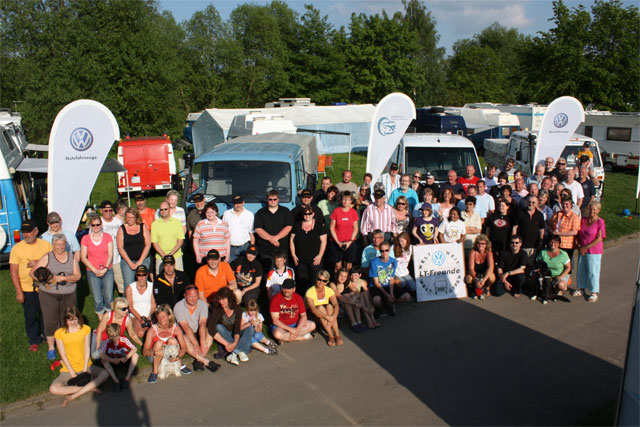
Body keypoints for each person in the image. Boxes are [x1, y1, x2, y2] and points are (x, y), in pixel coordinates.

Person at [30, 233, 81, 361]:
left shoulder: (71, 257)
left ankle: (67, 344)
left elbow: (77, 276)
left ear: (66, 244)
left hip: (69, 293)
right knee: (50, 320)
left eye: (63, 244)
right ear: (53, 245)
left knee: (68, 319)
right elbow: (32, 272)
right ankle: (51, 348)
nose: (60, 247)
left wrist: (64, 278)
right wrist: (44, 281)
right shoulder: (47, 257)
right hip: (49, 295)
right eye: (57, 245)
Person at [50, 307, 108, 407]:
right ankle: (89, 388)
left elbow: (87, 350)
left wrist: (85, 370)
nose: (73, 323)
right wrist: (72, 373)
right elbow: (63, 355)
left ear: (79, 318)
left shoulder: (85, 329)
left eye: (75, 319)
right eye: (70, 320)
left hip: (86, 366)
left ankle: (72, 396)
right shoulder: (59, 333)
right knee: (53, 388)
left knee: (105, 374)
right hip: (68, 369)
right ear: (65, 320)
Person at [174, 285, 221, 372]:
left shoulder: (202, 304)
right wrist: (196, 344)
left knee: (210, 331)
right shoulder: (178, 306)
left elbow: (202, 323)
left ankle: (199, 360)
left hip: (198, 331)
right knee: (183, 338)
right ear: (185, 296)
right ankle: (206, 361)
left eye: (195, 296)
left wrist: (202, 342)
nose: (193, 299)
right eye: (190, 296)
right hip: (186, 333)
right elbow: (186, 327)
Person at [143, 304, 192, 383]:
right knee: (159, 343)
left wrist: (179, 356)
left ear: (169, 316)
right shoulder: (152, 330)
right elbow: (145, 351)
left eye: (163, 316)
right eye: (158, 317)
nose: (161, 319)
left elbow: (183, 347)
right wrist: (155, 353)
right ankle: (155, 371)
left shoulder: (176, 328)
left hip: (170, 354)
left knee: (173, 341)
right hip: (155, 355)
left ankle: (179, 364)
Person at [207, 287, 253, 365]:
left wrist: (235, 342)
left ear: (229, 298)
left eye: (223, 299)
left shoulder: (237, 309)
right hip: (225, 334)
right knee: (218, 327)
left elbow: (237, 328)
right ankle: (241, 350)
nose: (221, 302)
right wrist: (226, 344)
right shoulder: (217, 310)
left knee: (250, 329)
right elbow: (211, 329)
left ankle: (234, 353)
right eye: (219, 299)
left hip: (235, 333)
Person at [80, 215, 114, 320]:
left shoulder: (108, 237)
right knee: (97, 297)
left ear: (101, 225)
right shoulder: (85, 239)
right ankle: (101, 319)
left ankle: (109, 316)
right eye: (93, 225)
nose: (95, 227)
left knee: (108, 296)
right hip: (92, 271)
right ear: (90, 225)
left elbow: (110, 254)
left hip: (107, 270)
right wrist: (94, 270)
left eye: (98, 224)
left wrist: (105, 269)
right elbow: (83, 257)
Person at [253, 190, 294, 272]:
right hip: (265, 249)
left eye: (274, 199)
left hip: (282, 248)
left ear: (278, 199)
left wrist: (276, 238)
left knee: (283, 272)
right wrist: (271, 239)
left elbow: (289, 226)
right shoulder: (261, 213)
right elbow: (258, 229)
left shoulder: (285, 211)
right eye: (270, 199)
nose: (272, 201)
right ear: (267, 200)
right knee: (267, 273)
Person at [290, 206, 327, 292]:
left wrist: (320, 256)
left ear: (313, 214)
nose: (307, 215)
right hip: (300, 260)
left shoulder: (319, 225)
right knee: (301, 282)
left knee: (315, 281)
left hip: (315, 260)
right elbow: (291, 240)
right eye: (305, 214)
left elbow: (324, 242)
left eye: (309, 213)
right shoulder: (297, 225)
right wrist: (293, 255)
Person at [369, 241, 410, 315]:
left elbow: (391, 278)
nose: (384, 253)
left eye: (386, 250)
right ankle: (384, 306)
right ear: (379, 251)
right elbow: (376, 282)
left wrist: (391, 293)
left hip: (388, 284)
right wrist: (387, 295)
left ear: (389, 250)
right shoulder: (374, 262)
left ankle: (388, 302)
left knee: (407, 297)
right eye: (382, 251)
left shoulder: (393, 261)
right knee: (376, 300)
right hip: (377, 286)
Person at [269, 279, 316, 343]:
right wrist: (291, 330)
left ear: (294, 289)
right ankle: (302, 337)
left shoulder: (298, 298)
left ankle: (285, 338)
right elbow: (275, 320)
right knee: (277, 334)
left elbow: (304, 316)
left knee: (312, 325)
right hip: (280, 326)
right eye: (284, 288)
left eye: (289, 288)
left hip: (295, 324)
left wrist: (297, 329)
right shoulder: (275, 299)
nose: (286, 291)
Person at [576, 201, 606, 302]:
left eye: (594, 209)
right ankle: (581, 288)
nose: (591, 211)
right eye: (590, 209)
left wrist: (586, 247)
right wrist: (580, 245)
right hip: (582, 248)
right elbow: (579, 233)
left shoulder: (600, 221)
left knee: (593, 271)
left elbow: (599, 238)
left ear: (598, 210)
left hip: (594, 250)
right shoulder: (583, 220)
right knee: (581, 269)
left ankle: (594, 292)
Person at [116, 207, 151, 289]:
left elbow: (148, 244)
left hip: (143, 259)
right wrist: (130, 263)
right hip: (128, 260)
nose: (129, 219)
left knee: (143, 283)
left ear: (136, 217)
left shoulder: (143, 227)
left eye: (132, 217)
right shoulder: (122, 229)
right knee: (128, 284)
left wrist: (140, 261)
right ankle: (128, 301)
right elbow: (120, 248)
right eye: (127, 217)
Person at [305, 270, 342, 346]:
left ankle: (337, 335)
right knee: (320, 308)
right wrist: (328, 318)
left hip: (327, 313)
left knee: (330, 306)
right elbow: (313, 309)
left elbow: (336, 305)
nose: (321, 282)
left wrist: (333, 316)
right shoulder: (310, 292)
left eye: (324, 281)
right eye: (319, 279)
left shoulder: (329, 290)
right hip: (314, 315)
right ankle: (330, 336)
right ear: (316, 279)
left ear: (327, 282)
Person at [100, 323, 138, 392]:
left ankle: (127, 378)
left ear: (119, 334)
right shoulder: (107, 342)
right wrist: (111, 360)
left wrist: (127, 357)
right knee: (103, 361)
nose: (115, 338)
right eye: (112, 337)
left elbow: (134, 348)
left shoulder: (123, 339)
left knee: (135, 355)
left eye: (116, 336)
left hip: (124, 359)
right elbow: (102, 354)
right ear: (109, 336)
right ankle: (116, 381)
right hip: (114, 360)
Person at [329, 191, 359, 272]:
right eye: (344, 199)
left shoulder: (353, 212)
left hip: (349, 242)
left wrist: (349, 242)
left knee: (348, 265)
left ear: (351, 201)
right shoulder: (336, 211)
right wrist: (338, 242)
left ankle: (347, 282)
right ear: (341, 200)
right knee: (337, 265)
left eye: (348, 199)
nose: (346, 202)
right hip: (336, 242)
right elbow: (332, 228)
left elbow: (356, 229)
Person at [151, 201, 185, 274]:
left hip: (176, 256)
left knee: (179, 279)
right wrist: (163, 255)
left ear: (169, 209)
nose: (163, 211)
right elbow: (154, 242)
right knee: (161, 281)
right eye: (161, 210)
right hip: (160, 257)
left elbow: (180, 240)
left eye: (165, 209)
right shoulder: (154, 224)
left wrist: (171, 254)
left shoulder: (177, 222)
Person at [99, 201, 124, 295]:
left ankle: (124, 302)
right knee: (105, 286)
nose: (108, 212)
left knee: (121, 282)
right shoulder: (98, 223)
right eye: (106, 210)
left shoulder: (118, 222)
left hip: (117, 258)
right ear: (101, 211)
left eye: (110, 210)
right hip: (103, 260)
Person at [222, 195, 256, 263]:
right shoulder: (226, 214)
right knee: (230, 269)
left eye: (239, 203)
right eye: (235, 203)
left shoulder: (249, 214)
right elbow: (223, 231)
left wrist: (251, 249)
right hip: (229, 248)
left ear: (243, 202)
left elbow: (251, 233)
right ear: (232, 203)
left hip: (244, 247)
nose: (238, 205)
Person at [513, 195, 545, 265]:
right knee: (521, 264)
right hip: (522, 245)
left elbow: (541, 229)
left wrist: (541, 241)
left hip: (534, 245)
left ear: (537, 203)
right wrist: (514, 241)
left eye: (533, 202)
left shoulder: (540, 215)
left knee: (531, 265)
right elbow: (515, 227)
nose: (531, 204)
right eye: (529, 202)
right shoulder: (520, 213)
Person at [125, 265, 156, 338]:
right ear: (136, 276)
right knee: (141, 333)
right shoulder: (130, 288)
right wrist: (140, 318)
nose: (141, 277)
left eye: (143, 275)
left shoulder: (152, 286)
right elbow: (130, 307)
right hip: (136, 316)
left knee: (154, 332)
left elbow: (153, 305)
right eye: (139, 275)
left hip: (150, 315)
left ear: (147, 275)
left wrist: (149, 317)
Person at [549, 197, 580, 267]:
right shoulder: (557, 214)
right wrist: (551, 231)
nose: (564, 206)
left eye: (567, 204)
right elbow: (550, 224)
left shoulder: (574, 217)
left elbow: (575, 232)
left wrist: (559, 233)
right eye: (563, 204)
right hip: (556, 244)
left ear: (571, 205)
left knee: (566, 265)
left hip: (566, 245)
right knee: (556, 264)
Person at [465, 235, 496, 299]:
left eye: (483, 243)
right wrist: (476, 279)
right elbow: (471, 268)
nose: (480, 245)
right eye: (478, 243)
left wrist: (483, 280)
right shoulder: (472, 252)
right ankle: (473, 289)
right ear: (476, 244)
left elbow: (491, 268)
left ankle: (487, 287)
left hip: (484, 274)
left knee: (492, 277)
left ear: (486, 245)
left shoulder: (489, 253)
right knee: (468, 278)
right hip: (475, 273)